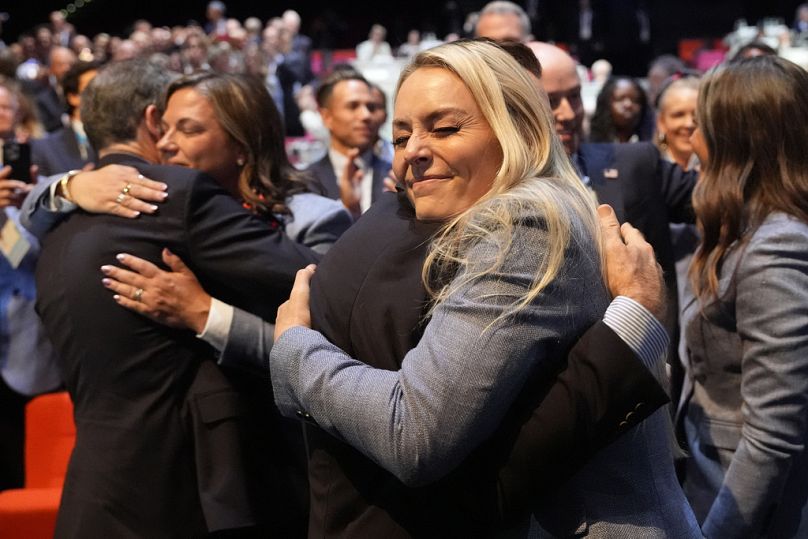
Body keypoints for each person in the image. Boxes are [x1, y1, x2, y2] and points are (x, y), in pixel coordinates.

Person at [98, 40, 689, 537]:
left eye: (445, 127)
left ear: (521, 130)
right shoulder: (525, 211)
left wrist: (295, 349)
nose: (412, 154)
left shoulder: (522, 228)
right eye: (402, 135)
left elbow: (415, 433)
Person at [26, 59, 322, 536]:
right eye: (169, 126)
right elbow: (320, 280)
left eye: (189, 129)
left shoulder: (56, 229)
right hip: (185, 494)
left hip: (95, 496)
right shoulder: (173, 195)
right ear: (149, 121)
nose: (169, 144)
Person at [529, 41, 698, 410]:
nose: (567, 113)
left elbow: (721, 199)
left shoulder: (635, 161)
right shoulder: (488, 192)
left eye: (574, 96)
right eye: (550, 100)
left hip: (646, 381)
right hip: (548, 403)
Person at [680, 55, 808, 539]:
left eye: (700, 126)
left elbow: (773, 436)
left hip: (750, 511)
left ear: (737, 141)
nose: (691, 143)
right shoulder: (752, 229)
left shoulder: (778, 243)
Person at [306, 69, 391, 218]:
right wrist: (347, 212)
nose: (366, 115)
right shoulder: (304, 183)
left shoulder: (396, 178)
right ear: (326, 117)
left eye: (371, 107)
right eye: (353, 106)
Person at [30, 60, 98, 176]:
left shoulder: (124, 139)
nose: (102, 95)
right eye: (93, 88)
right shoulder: (46, 148)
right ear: (73, 97)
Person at [589, 75, 653, 143]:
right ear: (606, 103)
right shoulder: (591, 144)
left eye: (635, 100)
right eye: (620, 99)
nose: (628, 105)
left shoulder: (652, 142)